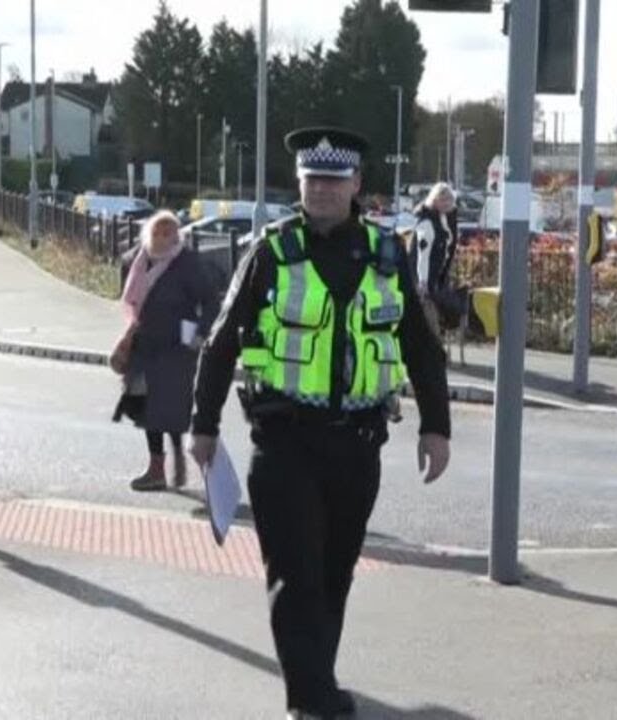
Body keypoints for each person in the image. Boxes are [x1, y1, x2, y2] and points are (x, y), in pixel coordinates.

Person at [190, 127, 452, 719]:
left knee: (334, 573)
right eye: (313, 180)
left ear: (356, 184)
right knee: (295, 575)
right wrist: (201, 424)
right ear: (300, 184)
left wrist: (437, 426)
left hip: (357, 444)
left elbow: (420, 343)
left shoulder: (388, 254)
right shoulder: (271, 250)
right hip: (283, 440)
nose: (324, 190)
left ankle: (317, 683)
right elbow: (222, 340)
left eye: (335, 180)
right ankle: (311, 703)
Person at [111, 210, 219, 491]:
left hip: (176, 349)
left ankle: (178, 464)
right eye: (157, 232)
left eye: (168, 233)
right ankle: (157, 466)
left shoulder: (187, 263)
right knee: (144, 407)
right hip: (144, 345)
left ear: (177, 236)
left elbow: (211, 302)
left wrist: (197, 334)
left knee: (171, 409)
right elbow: (131, 300)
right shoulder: (137, 259)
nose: (162, 238)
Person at [410, 182, 461, 335]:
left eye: (449, 200)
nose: (447, 203)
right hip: (426, 281)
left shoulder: (443, 219)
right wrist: (423, 282)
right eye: (443, 199)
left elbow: (448, 248)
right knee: (429, 323)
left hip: (437, 279)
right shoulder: (426, 223)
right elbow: (422, 255)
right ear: (434, 200)